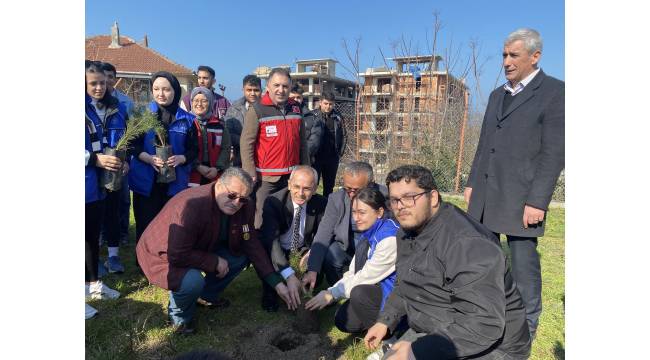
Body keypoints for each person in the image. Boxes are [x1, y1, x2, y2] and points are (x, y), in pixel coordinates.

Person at [364, 165, 531, 360]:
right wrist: (385, 320)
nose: (400, 206)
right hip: (440, 324)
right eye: (394, 200)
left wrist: (417, 350)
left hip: (494, 347)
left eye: (409, 197)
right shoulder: (406, 232)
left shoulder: (468, 244)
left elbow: (484, 324)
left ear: (433, 198)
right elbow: (404, 283)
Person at [464, 28, 564, 340]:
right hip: (486, 192)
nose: (506, 62)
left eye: (513, 55)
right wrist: (471, 182)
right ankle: (490, 312)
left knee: (523, 264)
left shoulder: (555, 92)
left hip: (523, 198)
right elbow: (484, 144)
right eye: (504, 55)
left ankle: (527, 323)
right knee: (488, 257)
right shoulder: (497, 95)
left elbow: (554, 153)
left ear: (535, 56)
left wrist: (538, 201)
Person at [136, 168, 293, 334]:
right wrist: (214, 261)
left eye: (243, 199)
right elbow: (177, 254)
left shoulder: (245, 207)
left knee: (239, 257)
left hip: (201, 246)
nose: (236, 203)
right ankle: (179, 318)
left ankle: (205, 296)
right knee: (192, 281)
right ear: (218, 184)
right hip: (163, 254)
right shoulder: (191, 205)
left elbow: (251, 243)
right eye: (232, 195)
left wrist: (276, 282)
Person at [305, 187, 398, 336]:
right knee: (343, 320)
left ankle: (391, 335)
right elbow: (353, 272)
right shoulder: (369, 231)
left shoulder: (389, 239)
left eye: (362, 212)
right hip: (376, 289)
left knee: (359, 292)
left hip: (396, 298)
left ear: (380, 212)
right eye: (354, 212)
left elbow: (366, 277)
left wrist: (332, 294)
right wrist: (329, 292)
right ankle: (374, 322)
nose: (356, 218)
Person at [128, 71, 198, 248]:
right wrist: (149, 159)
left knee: (171, 223)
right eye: (156, 89)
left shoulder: (188, 120)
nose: (161, 94)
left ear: (175, 91)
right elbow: (132, 145)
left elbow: (194, 150)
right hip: (147, 181)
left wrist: (182, 158)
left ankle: (167, 259)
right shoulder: (142, 115)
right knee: (146, 222)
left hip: (175, 182)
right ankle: (144, 261)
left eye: (166, 89)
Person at [240, 67, 310, 229]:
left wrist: (305, 168)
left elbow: (302, 143)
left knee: (287, 211)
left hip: (291, 175)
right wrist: (250, 172)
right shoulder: (257, 109)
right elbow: (246, 143)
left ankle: (284, 245)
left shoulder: (296, 108)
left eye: (285, 86)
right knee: (262, 214)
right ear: (268, 87)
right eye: (276, 85)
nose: (281, 90)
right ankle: (260, 248)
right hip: (266, 177)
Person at [302, 161, 388, 289]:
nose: (352, 194)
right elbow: (324, 233)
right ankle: (340, 287)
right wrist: (312, 269)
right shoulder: (336, 199)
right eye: (348, 188)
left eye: (357, 190)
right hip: (346, 244)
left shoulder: (387, 197)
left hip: (374, 244)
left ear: (371, 184)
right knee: (330, 254)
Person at [258, 165, 327, 312]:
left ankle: (301, 289)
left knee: (316, 276)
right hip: (278, 249)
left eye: (307, 188)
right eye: (296, 186)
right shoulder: (273, 202)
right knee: (266, 255)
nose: (300, 193)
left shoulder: (321, 204)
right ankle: (273, 287)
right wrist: (289, 275)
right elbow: (272, 242)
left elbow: (323, 235)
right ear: (289, 184)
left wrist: (311, 255)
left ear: (315, 189)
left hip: (302, 250)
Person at [85, 61, 122, 319]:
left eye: (102, 82)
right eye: (93, 83)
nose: (99, 87)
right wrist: (94, 159)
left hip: (93, 187)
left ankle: (93, 285)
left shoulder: (91, 110)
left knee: (90, 236)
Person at [97, 62, 131, 274]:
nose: (102, 85)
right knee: (91, 213)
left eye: (106, 80)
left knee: (112, 210)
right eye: (96, 82)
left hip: (113, 169)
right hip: (90, 169)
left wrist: (126, 160)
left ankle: (113, 256)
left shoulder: (119, 108)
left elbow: (127, 138)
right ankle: (92, 258)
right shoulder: (85, 108)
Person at [187, 87, 231, 187]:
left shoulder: (219, 125)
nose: (199, 104)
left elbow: (226, 147)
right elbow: (183, 148)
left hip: (214, 172)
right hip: (191, 173)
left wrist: (217, 168)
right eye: (196, 100)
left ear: (210, 103)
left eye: (204, 101)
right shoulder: (186, 123)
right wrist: (197, 166)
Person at [310, 91, 345, 198]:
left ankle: (327, 209)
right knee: (312, 185)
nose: (328, 106)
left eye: (331, 104)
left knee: (329, 186)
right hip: (316, 158)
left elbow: (344, 135)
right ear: (320, 102)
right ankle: (312, 210)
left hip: (332, 158)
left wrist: (340, 153)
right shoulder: (312, 116)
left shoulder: (338, 117)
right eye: (326, 103)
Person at [224, 75, 262, 167]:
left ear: (261, 90)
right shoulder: (234, 108)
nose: (252, 93)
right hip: (240, 160)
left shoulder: (269, 108)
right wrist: (247, 142)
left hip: (263, 159)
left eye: (256, 90)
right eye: (249, 90)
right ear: (243, 90)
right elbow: (228, 133)